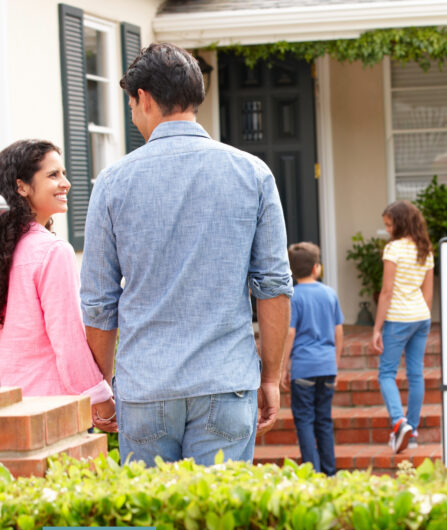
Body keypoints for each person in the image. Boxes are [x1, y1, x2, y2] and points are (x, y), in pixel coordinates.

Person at [80, 43, 292, 467]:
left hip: (146, 387)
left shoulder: (112, 183)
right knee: (217, 527)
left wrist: (102, 387)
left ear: (143, 98)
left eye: (132, 105)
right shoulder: (253, 173)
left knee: (149, 528)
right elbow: (273, 288)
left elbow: (99, 303)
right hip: (226, 380)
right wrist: (270, 376)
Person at [0, 140, 116, 431]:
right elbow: (68, 340)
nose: (66, 183)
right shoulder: (52, 252)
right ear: (22, 186)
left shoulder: (13, 249)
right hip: (49, 410)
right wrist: (99, 398)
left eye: (64, 174)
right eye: (53, 175)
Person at [371, 200, 434, 453]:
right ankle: (414, 430)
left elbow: (386, 292)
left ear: (400, 223)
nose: (387, 229)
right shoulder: (425, 249)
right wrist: (422, 317)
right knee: (415, 374)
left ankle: (399, 423)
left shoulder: (393, 249)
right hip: (421, 317)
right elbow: (428, 294)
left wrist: (376, 328)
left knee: (386, 373)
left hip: (398, 318)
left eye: (389, 224)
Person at [281, 242, 344, 475]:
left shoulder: (293, 297)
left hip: (304, 368)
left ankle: (312, 472)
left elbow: (290, 333)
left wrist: (283, 368)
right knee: (324, 421)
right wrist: (335, 365)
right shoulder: (330, 294)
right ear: (317, 268)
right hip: (327, 366)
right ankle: (330, 472)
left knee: (305, 421)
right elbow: (339, 332)